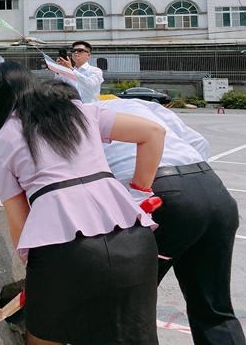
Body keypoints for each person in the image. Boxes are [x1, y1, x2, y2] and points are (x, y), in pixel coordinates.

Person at [0, 62, 164, 345]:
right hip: (134, 240)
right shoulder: (80, 111)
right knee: (131, 336)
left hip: (64, 251)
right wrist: (139, 192)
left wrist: (37, 274)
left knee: (44, 339)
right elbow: (153, 133)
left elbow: (20, 221)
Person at [48, 81, 245, 345]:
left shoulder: (70, 122)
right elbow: (199, 143)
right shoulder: (138, 105)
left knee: (123, 305)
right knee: (213, 308)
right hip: (212, 189)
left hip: (160, 198)